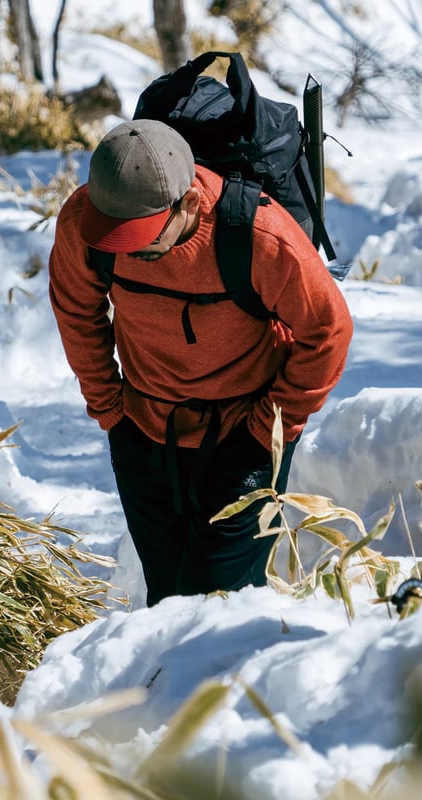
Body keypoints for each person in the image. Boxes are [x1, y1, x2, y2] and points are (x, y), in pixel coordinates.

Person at [48, 118, 353, 606]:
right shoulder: (86, 221)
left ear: (188, 204)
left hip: (245, 431)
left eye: (139, 238)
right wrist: (109, 408)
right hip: (143, 427)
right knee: (168, 598)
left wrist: (270, 424)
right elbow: (76, 312)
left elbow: (328, 331)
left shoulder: (260, 235)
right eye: (112, 237)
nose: (121, 250)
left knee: (216, 600)